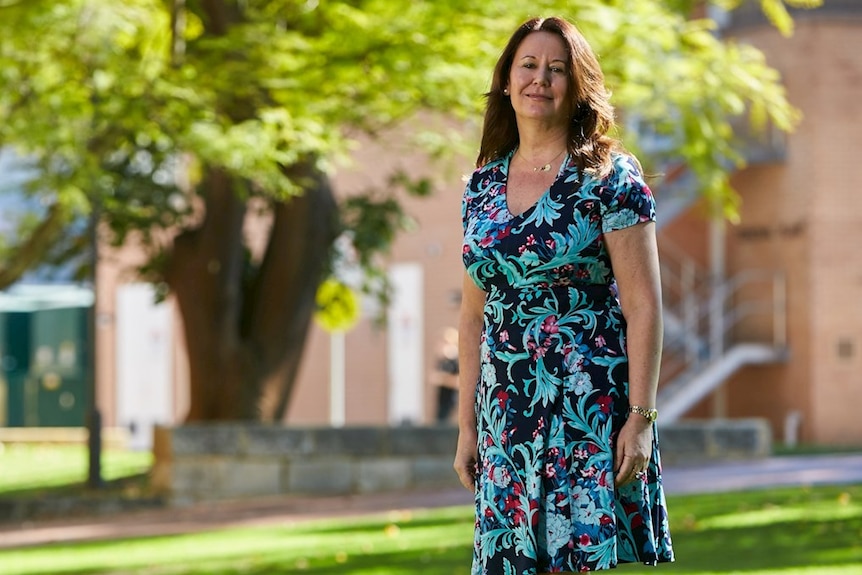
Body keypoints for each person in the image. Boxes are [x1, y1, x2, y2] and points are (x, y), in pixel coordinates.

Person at [453, 16, 674, 574]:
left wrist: (641, 417)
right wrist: (465, 427)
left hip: (586, 406)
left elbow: (643, 305)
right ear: (506, 80)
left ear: (577, 88)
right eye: (528, 65)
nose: (541, 79)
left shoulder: (610, 176)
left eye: (558, 70)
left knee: (579, 562)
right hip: (504, 412)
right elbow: (473, 316)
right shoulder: (481, 185)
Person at [434, 327, 460, 423]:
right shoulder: (441, 361)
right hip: (442, 400)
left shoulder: (454, 361)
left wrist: (443, 380)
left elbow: (459, 382)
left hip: (451, 401)